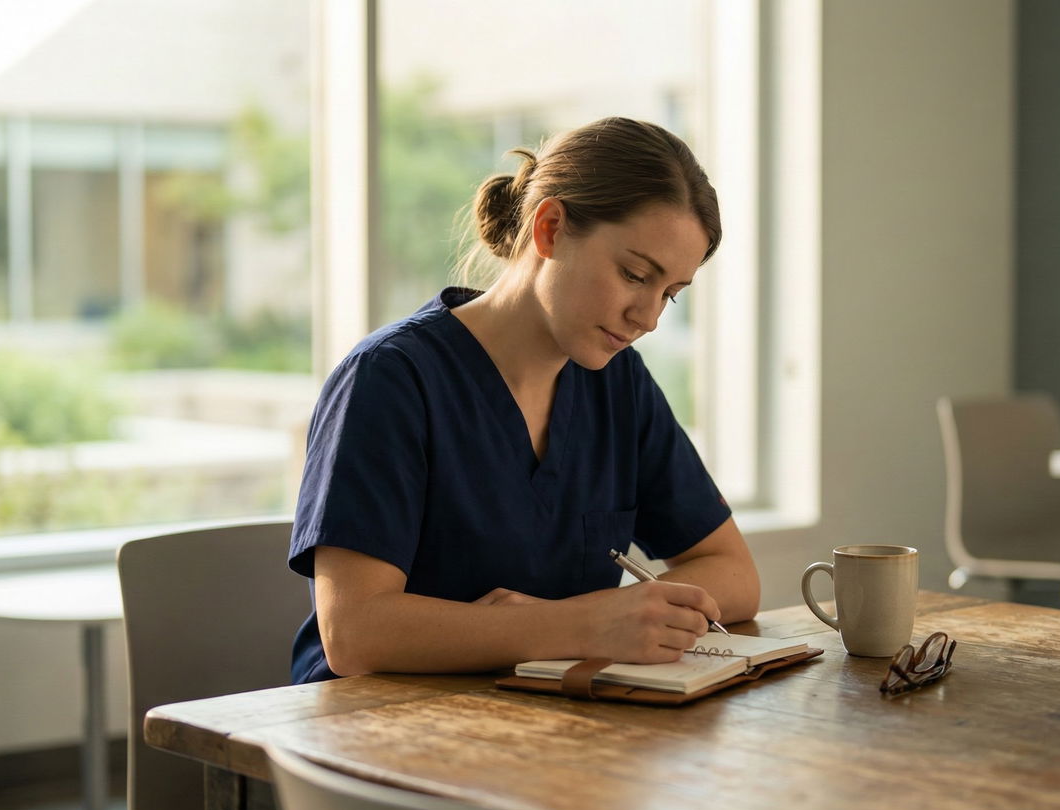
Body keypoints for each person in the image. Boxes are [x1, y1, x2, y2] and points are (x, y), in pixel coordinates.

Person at [287, 116, 760, 684]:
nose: (649, 318)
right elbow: (355, 634)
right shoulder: (390, 378)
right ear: (551, 228)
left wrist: (598, 618)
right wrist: (583, 624)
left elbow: (735, 575)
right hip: (376, 722)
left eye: (671, 295)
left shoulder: (619, 383)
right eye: (636, 275)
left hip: (541, 718)